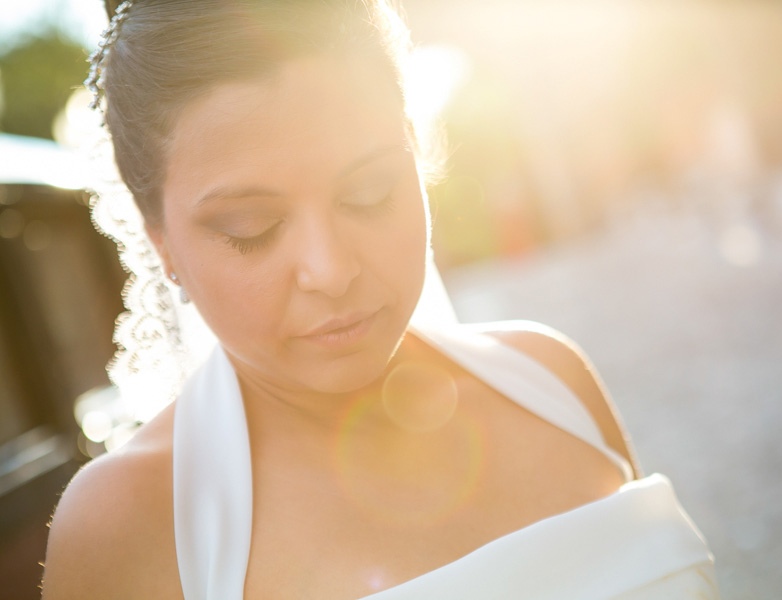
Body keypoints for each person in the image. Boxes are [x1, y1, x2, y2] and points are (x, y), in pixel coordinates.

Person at [42, 1, 718, 598]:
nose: (331, 270)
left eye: (369, 192)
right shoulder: (127, 527)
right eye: (250, 229)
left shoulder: (551, 380)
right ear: (160, 239)